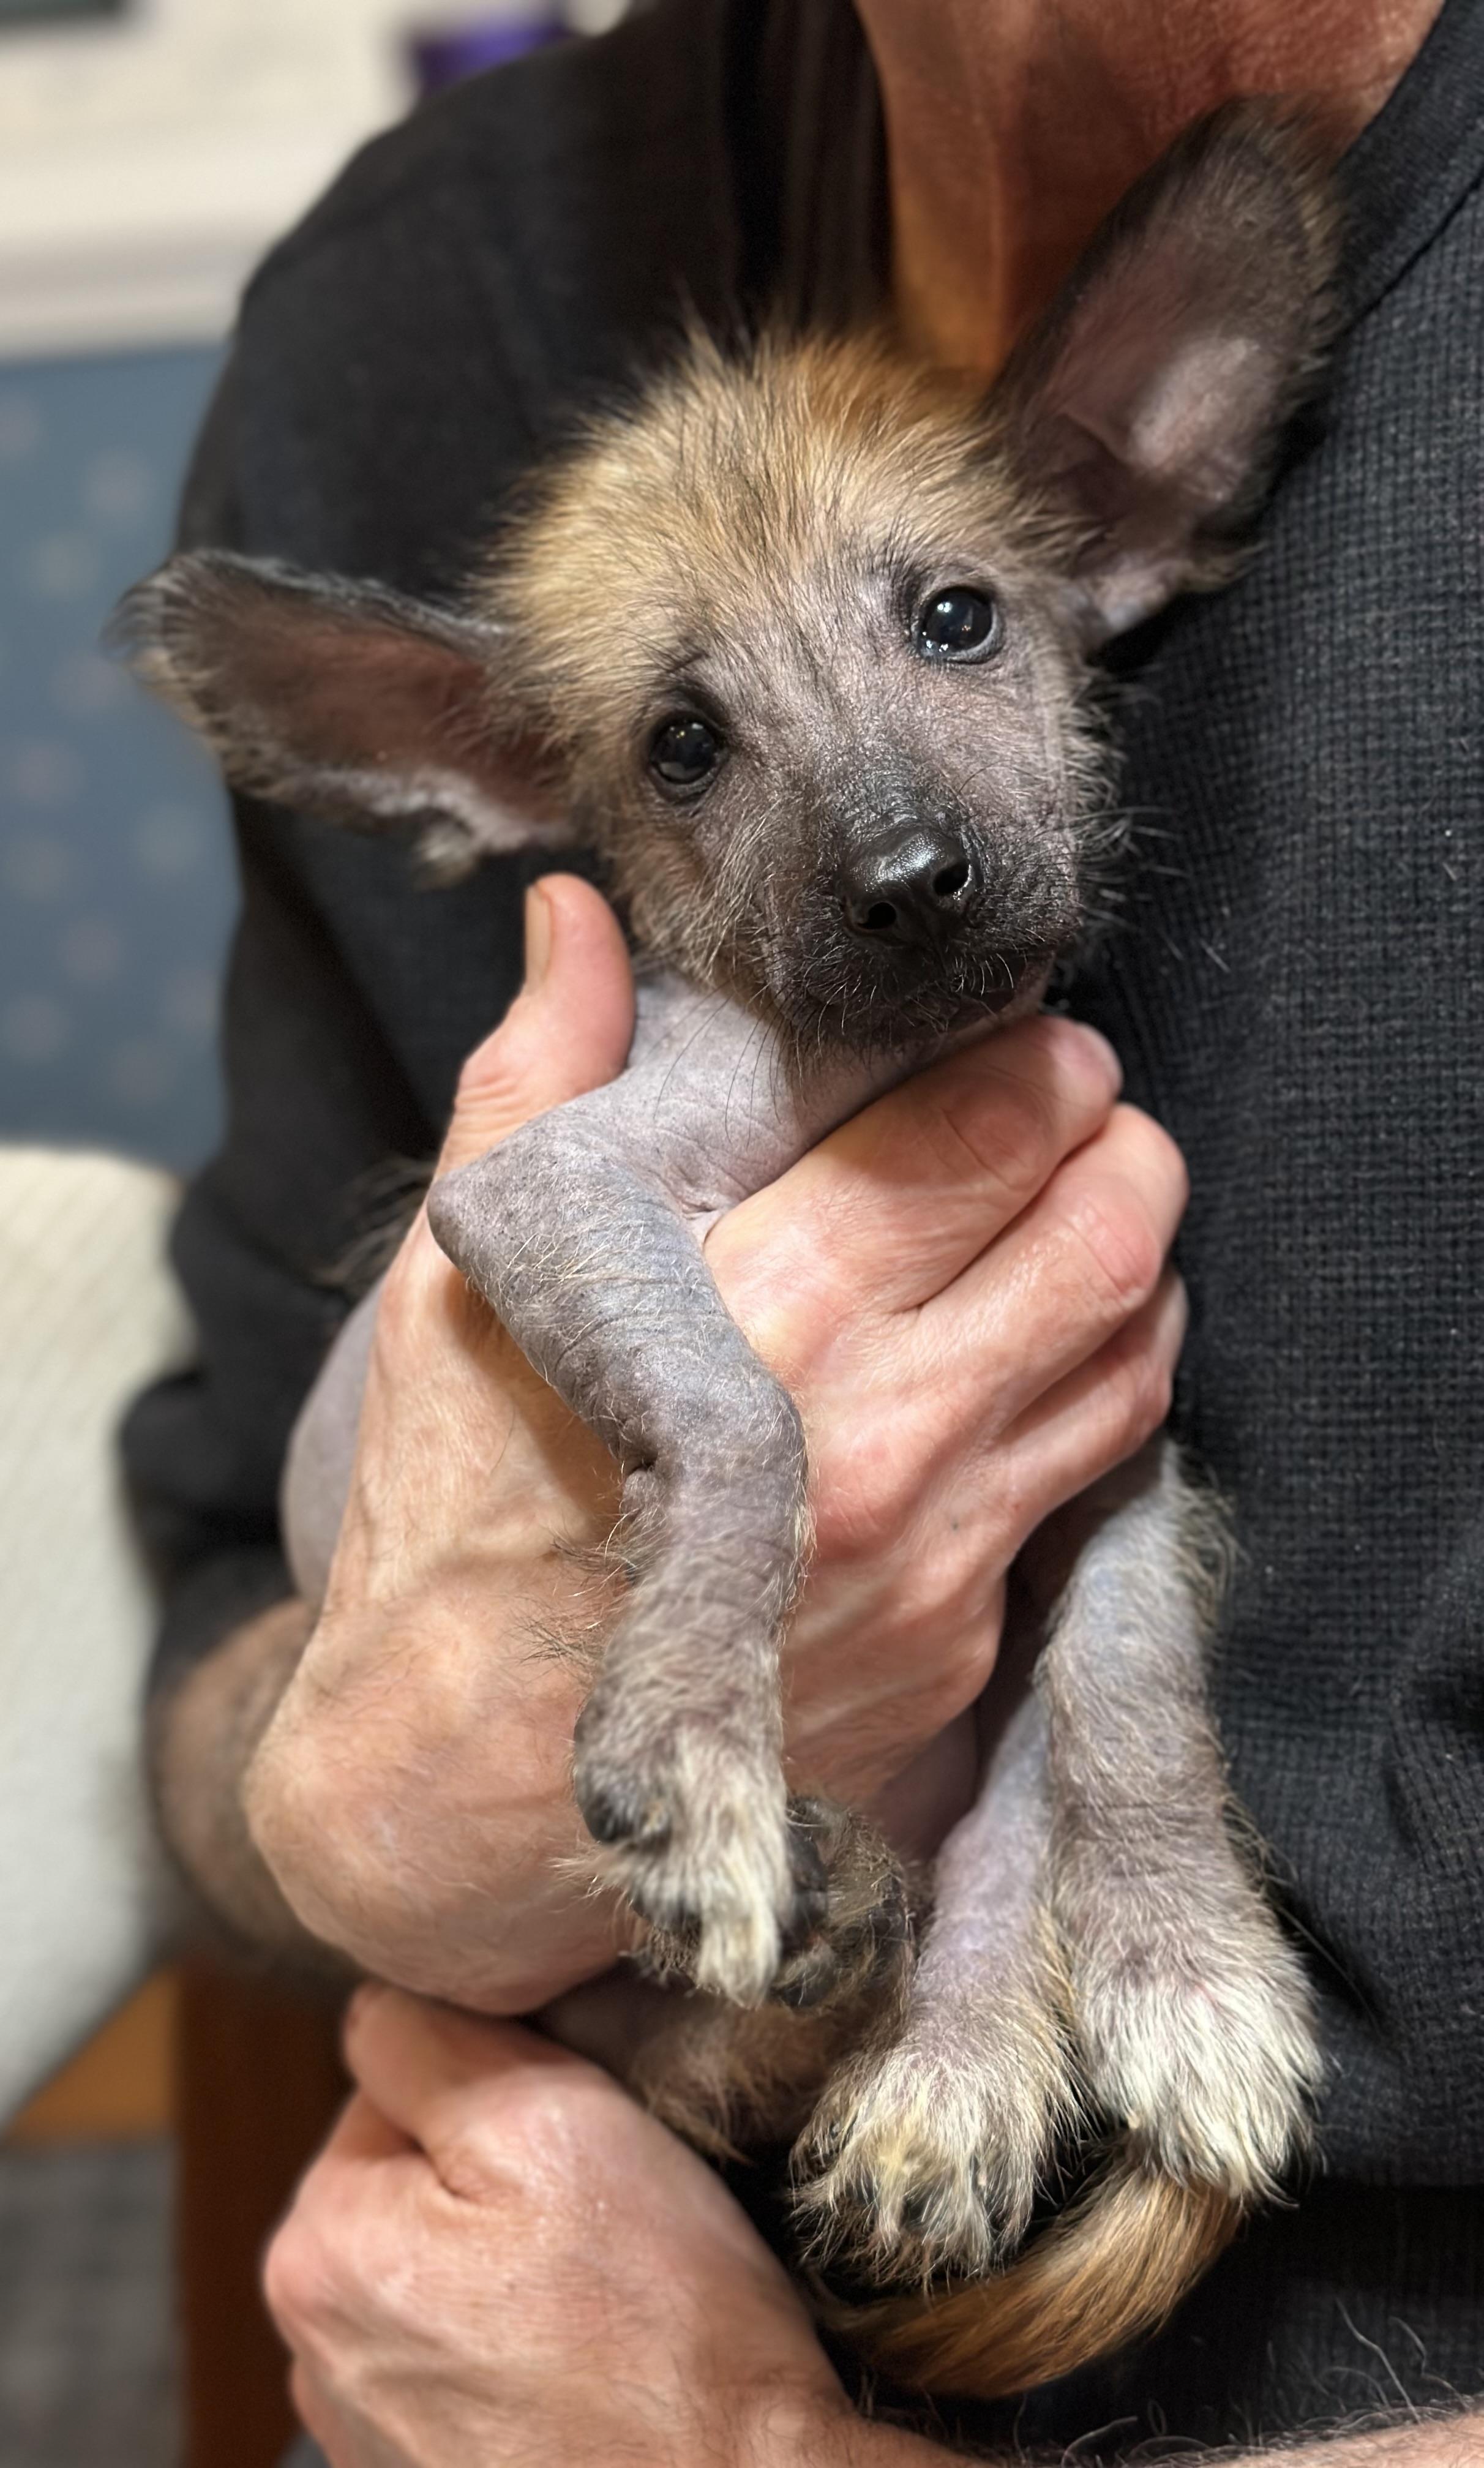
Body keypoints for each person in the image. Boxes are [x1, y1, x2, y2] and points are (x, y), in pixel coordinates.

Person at [125, 0, 1484, 2458]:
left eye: (954, 625)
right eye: (685, 747)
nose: (885, 838)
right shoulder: (411, 313)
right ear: (510, 777)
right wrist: (376, 1801)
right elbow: (224, 1609)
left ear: (1132, 492)